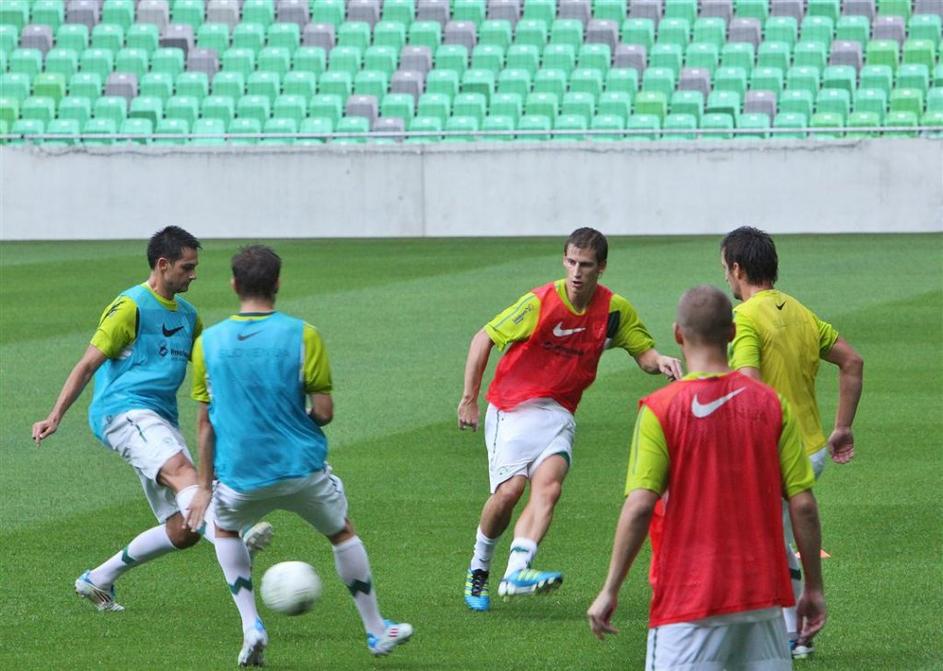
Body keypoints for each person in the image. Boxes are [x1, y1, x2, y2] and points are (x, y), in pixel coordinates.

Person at [185, 245, 412, 666]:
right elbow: (324, 412)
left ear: (234, 284)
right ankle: (376, 629)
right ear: (277, 283)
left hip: (239, 475)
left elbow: (204, 423)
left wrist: (202, 486)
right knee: (341, 532)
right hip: (301, 468)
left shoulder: (207, 343)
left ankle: (251, 625)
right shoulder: (304, 335)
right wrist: (291, 417)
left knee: (226, 530)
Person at [31, 226, 271, 613]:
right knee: (185, 475)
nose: (194, 274)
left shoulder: (189, 316)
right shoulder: (131, 306)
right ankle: (235, 538)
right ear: (162, 265)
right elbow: (87, 364)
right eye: (187, 267)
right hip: (122, 412)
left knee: (184, 527)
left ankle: (98, 579)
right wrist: (54, 415)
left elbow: (209, 368)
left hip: (159, 419)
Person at [587, 285, 827, 671]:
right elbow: (803, 506)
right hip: (762, 603)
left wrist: (610, 589)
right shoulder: (771, 404)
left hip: (687, 602)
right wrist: (813, 588)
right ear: (731, 333)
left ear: (678, 334)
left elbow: (640, 506)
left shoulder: (661, 408)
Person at [457, 227, 683, 612]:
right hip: (512, 406)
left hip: (559, 411)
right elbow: (484, 337)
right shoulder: (539, 302)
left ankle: (516, 571)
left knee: (549, 488)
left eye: (586, 265)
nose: (577, 272)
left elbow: (642, 353)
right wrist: (469, 399)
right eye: (572, 262)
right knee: (510, 492)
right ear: (564, 260)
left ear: (602, 267)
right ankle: (479, 565)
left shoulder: (614, 311)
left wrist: (659, 360)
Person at [721, 226, 863, 657]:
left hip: (773, 451)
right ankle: (792, 633)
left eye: (725, 269)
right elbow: (852, 361)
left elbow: (749, 387)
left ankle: (791, 634)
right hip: (812, 447)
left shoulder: (745, 318)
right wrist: (843, 426)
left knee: (758, 543)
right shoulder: (800, 311)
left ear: (738, 269)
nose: (726, 277)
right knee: (774, 538)